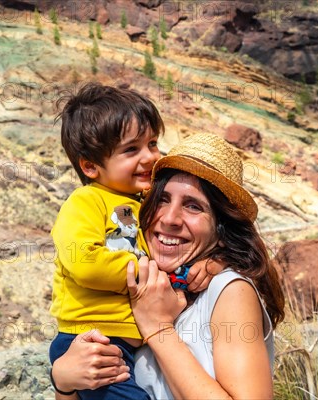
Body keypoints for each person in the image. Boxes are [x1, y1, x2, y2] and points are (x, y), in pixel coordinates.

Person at [51, 133, 285, 399]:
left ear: (221, 227)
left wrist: (159, 330)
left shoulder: (229, 291)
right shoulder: (152, 286)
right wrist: (64, 383)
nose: (170, 218)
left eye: (193, 206)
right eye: (162, 199)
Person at [49, 84, 219, 399]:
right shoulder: (86, 201)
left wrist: (208, 263)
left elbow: (174, 249)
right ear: (90, 166)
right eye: (132, 150)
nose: (151, 157)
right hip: (95, 340)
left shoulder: (144, 203)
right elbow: (85, 264)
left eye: (153, 143)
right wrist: (152, 272)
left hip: (124, 341)